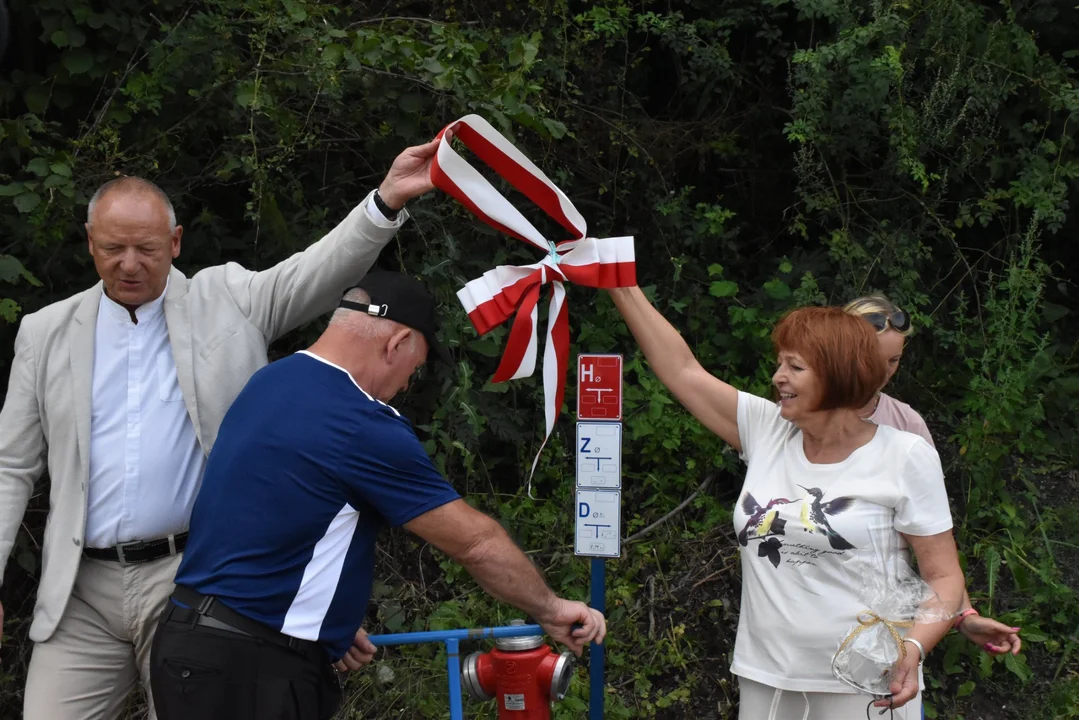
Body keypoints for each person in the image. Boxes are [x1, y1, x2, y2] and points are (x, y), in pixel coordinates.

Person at [0, 137, 441, 720]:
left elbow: (316, 268)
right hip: (79, 589)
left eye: (146, 248)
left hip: (199, 581)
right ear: (89, 243)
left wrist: (384, 202)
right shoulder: (44, 331)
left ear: (176, 242)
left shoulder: (229, 299)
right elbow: (11, 465)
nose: (129, 263)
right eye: (113, 248)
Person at [149, 270, 607, 720]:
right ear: (397, 343)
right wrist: (551, 609)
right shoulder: (360, 422)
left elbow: (268, 517)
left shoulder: (270, 382)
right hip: (251, 671)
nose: (408, 383)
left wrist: (321, 622)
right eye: (417, 366)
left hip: (190, 644)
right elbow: (475, 543)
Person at [608, 286, 966, 719]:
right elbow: (681, 369)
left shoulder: (905, 454)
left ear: (836, 374)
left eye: (795, 366)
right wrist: (618, 282)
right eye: (781, 363)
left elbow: (945, 576)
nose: (778, 376)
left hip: (867, 681)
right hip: (764, 677)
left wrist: (913, 648)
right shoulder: (766, 431)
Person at [843, 295, 1022, 657]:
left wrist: (963, 614)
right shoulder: (798, 415)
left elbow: (933, 541)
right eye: (873, 361)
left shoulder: (907, 425)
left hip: (881, 626)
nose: (884, 373)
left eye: (893, 360)